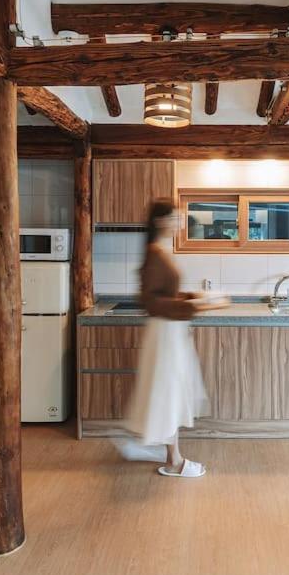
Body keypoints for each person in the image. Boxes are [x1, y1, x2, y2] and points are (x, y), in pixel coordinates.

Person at [123, 199, 208, 478]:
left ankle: (170, 455)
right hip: (165, 332)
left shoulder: (159, 251)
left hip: (170, 331)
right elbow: (149, 301)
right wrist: (190, 306)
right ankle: (174, 461)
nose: (179, 224)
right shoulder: (155, 253)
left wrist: (190, 298)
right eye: (175, 218)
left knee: (171, 392)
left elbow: (163, 294)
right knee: (169, 392)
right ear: (161, 221)